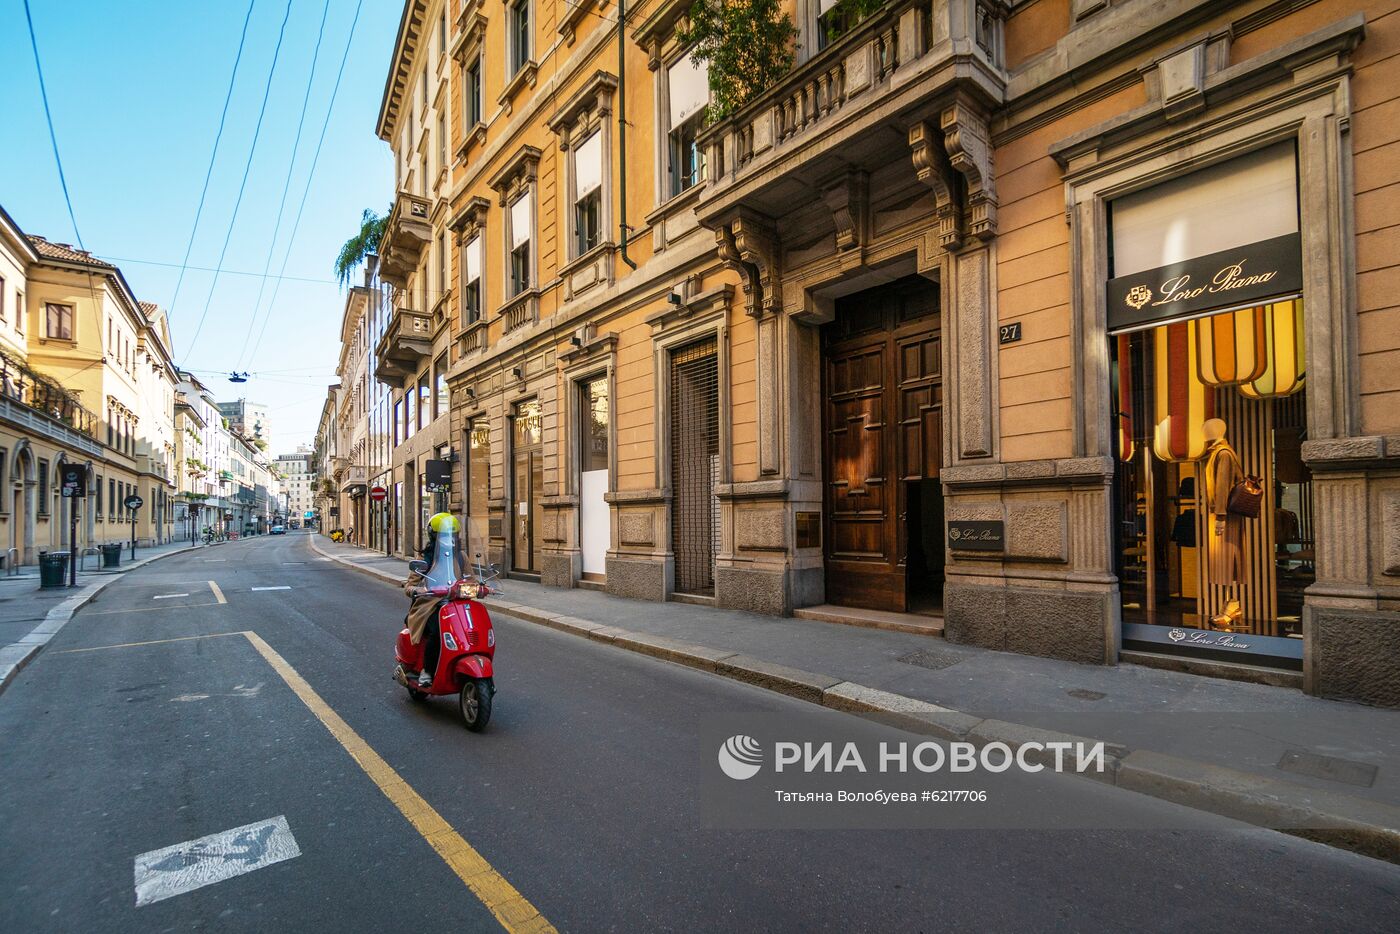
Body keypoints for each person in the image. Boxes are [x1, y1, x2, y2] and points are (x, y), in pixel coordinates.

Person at [403, 512, 469, 688]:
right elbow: (409, 586)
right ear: (434, 536)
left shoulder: (461, 557)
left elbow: (471, 579)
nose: (449, 539)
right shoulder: (424, 559)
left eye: (452, 535)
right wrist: (420, 590)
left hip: (457, 604)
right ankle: (427, 670)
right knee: (437, 631)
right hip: (430, 605)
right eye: (444, 535)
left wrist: (481, 588)